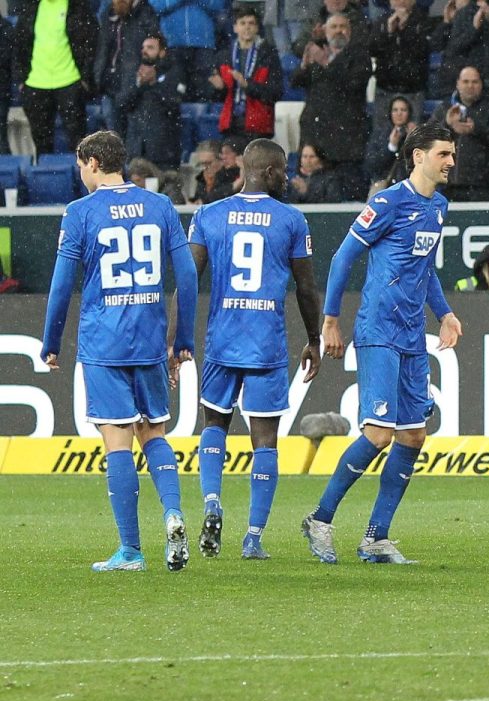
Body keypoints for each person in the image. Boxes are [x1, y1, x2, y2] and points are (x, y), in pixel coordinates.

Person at [302, 124, 465, 566]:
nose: (451, 161)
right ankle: (320, 518)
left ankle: (376, 537)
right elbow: (342, 258)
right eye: (444, 154)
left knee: (414, 434)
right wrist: (330, 321)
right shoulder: (388, 203)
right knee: (378, 433)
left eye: (453, 154)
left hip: (412, 336)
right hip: (378, 330)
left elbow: (425, 268)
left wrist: (445, 313)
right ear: (418, 156)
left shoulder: (438, 206)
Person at [39, 130, 197, 571]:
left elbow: (61, 285)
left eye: (79, 165)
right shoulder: (160, 206)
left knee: (117, 442)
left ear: (92, 162)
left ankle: (130, 550)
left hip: (104, 342)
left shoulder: (80, 213)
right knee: (154, 434)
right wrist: (182, 339)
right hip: (149, 339)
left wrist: (51, 342)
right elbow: (186, 276)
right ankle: (172, 513)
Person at [189, 139, 321, 562]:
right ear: (265, 172)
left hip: (222, 340)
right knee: (265, 442)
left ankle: (212, 502)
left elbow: (190, 282)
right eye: (283, 170)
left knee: (214, 424)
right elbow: (304, 288)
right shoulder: (291, 220)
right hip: (266, 344)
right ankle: (252, 537)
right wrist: (314, 338)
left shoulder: (209, 215)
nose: (287, 176)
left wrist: (177, 339)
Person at [291, 14, 374, 185]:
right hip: (316, 133)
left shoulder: (359, 56)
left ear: (350, 32)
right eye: (334, 27)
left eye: (342, 27)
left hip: (346, 138)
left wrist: (327, 62)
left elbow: (353, 84)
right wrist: (305, 65)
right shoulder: (317, 53)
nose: (338, 31)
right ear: (325, 31)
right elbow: (295, 82)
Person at [18, 0, 98, 159]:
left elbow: (91, 42)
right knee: (42, 145)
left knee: (78, 143)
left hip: (70, 81)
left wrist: (85, 79)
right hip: (36, 83)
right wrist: (22, 79)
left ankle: (81, 180)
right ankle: (45, 181)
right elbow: (20, 44)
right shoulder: (31, 8)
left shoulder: (77, 7)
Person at [440, 66, 489, 201]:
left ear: (481, 84)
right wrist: (447, 124)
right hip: (449, 185)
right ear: (458, 83)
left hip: (481, 185)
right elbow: (428, 139)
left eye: (474, 82)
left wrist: (475, 129)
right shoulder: (445, 108)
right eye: (466, 82)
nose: (470, 86)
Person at [212, 8, 284, 144]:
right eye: (242, 23)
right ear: (235, 28)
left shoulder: (269, 55)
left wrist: (247, 85)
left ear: (257, 28)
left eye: (251, 23)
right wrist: (218, 88)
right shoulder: (224, 56)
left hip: (258, 124)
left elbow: (276, 92)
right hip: (231, 123)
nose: (247, 27)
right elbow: (217, 97)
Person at [95, 0, 161, 135]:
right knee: (114, 142)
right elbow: (102, 49)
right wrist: (99, 78)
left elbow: (153, 50)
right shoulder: (108, 14)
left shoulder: (146, 14)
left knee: (131, 141)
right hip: (109, 87)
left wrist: (139, 80)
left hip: (135, 90)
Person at [118, 34, 182, 167]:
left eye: (150, 47)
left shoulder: (173, 73)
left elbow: (174, 105)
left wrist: (154, 84)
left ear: (162, 52)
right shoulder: (132, 75)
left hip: (162, 152)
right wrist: (138, 85)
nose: (144, 51)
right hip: (136, 150)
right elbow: (122, 104)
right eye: (143, 47)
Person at [370, 0, 434, 122]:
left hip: (413, 90)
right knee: (381, 136)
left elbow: (423, 50)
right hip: (385, 90)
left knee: (412, 137)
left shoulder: (424, 21)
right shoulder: (381, 21)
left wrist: (406, 27)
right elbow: (373, 50)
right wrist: (388, 33)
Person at [367, 96, 422, 186]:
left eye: (403, 110)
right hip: (387, 187)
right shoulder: (380, 134)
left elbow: (421, 165)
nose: (399, 113)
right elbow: (372, 165)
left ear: (409, 113)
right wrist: (391, 147)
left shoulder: (417, 134)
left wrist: (411, 142)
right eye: (395, 110)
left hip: (410, 185)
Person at [289, 144, 357, 203]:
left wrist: (306, 192)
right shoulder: (297, 179)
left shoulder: (331, 178)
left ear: (320, 159)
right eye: (304, 156)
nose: (308, 160)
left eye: (312, 157)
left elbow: (332, 202)